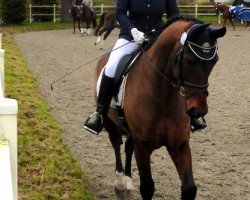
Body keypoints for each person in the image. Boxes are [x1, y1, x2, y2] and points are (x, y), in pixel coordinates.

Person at [84, 0, 207, 135]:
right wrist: (132, 30)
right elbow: (120, 13)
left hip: (158, 38)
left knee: (179, 66)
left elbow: (175, 15)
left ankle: (190, 114)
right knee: (111, 67)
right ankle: (100, 114)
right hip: (130, 37)